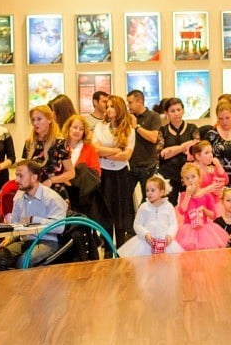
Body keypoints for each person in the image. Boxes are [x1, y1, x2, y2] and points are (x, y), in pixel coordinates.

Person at [0, 160, 67, 271]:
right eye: (16, 176)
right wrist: (9, 238)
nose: (16, 180)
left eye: (20, 176)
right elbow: (15, 224)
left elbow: (60, 227)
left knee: (24, 262)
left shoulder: (52, 198)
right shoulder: (19, 197)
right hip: (26, 241)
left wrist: (34, 219)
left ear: (34, 177)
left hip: (48, 242)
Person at [92, 95, 136, 244]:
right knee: (105, 211)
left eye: (112, 106)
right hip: (104, 173)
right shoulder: (100, 127)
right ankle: (107, 246)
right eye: (107, 107)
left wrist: (106, 154)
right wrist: (116, 150)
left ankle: (121, 246)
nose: (109, 109)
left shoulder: (129, 129)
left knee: (121, 212)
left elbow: (126, 155)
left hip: (121, 174)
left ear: (120, 108)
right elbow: (96, 150)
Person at [117, 176, 183, 257]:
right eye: (147, 190)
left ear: (162, 192)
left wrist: (170, 235)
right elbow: (137, 224)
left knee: (165, 263)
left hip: (165, 244)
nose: (149, 193)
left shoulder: (169, 207)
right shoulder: (143, 207)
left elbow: (173, 224)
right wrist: (145, 234)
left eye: (152, 190)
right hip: (145, 244)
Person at [175, 162, 229, 251]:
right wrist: (188, 195)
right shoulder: (184, 195)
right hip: (188, 229)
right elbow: (182, 211)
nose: (190, 180)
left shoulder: (207, 195)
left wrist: (204, 210)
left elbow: (213, 215)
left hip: (205, 229)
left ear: (199, 178)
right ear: (183, 181)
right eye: (187, 178)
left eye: (193, 177)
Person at [22, 105, 75, 197]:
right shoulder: (29, 143)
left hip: (54, 191)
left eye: (39, 119)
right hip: (33, 191)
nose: (35, 123)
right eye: (33, 120)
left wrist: (51, 180)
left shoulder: (59, 143)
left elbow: (71, 173)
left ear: (49, 120)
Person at [157, 98, 200, 206]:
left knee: (191, 205)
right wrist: (183, 147)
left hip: (189, 176)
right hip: (169, 175)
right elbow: (161, 155)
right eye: (172, 111)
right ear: (166, 113)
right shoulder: (163, 131)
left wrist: (171, 150)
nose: (176, 113)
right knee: (170, 206)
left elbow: (196, 151)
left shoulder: (192, 128)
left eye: (179, 110)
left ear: (183, 110)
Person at [60, 114, 103, 221]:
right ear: (68, 128)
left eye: (81, 129)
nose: (77, 131)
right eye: (75, 127)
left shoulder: (89, 148)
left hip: (82, 194)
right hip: (62, 190)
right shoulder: (59, 146)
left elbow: (96, 172)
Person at [126, 90, 162, 199]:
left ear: (140, 102)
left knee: (148, 198)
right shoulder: (128, 117)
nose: (128, 106)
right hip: (130, 165)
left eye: (130, 102)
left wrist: (136, 126)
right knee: (125, 197)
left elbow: (153, 138)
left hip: (147, 166)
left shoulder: (153, 116)